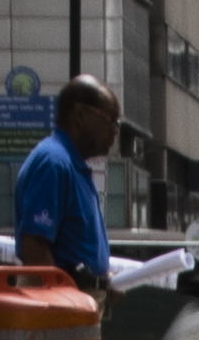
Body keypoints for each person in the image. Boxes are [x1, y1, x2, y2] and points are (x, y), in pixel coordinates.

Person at [11, 77, 121, 301]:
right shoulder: (54, 163)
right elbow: (34, 246)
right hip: (59, 309)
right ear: (80, 115)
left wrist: (101, 282)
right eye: (111, 122)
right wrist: (64, 304)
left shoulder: (71, 164)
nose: (114, 132)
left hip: (78, 303)